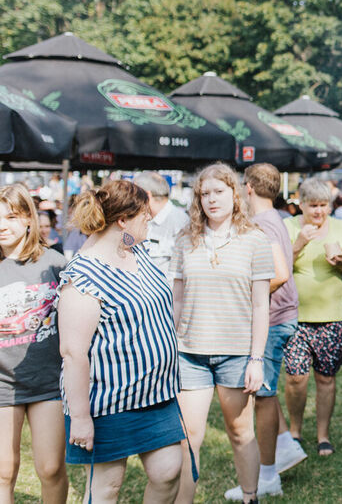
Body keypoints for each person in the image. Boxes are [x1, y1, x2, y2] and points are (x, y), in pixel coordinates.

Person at [57, 180, 183, 503]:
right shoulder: (83, 276)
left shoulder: (138, 251)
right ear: (122, 220)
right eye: (144, 215)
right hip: (107, 403)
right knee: (106, 488)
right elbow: (73, 354)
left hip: (156, 394)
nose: (150, 221)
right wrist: (81, 418)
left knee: (168, 472)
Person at [170, 164, 272, 504]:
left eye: (219, 191)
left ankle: (250, 496)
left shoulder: (255, 239)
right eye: (205, 193)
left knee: (240, 432)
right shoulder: (185, 239)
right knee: (187, 437)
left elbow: (261, 306)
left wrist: (256, 359)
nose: (211, 199)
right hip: (189, 353)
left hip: (236, 353)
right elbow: (178, 298)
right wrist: (171, 344)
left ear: (236, 194)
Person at [222, 164, 307, 501]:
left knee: (263, 397)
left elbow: (280, 273)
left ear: (249, 188)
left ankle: (269, 475)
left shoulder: (263, 224)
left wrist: (242, 293)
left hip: (272, 319)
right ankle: (285, 445)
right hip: (281, 316)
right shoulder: (278, 219)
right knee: (265, 393)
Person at [282, 179, 342, 457]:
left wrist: (341, 262)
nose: (318, 211)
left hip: (331, 317)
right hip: (295, 316)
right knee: (295, 378)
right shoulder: (289, 227)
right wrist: (299, 244)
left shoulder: (340, 228)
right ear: (300, 204)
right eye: (313, 205)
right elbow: (277, 264)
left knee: (326, 378)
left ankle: (323, 435)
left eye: (323, 205)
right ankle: (294, 430)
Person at [0, 184, 68, 503]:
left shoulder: (56, 263)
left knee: (51, 468)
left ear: (29, 218)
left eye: (11, 216)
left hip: (48, 382)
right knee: (3, 470)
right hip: (2, 384)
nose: (3, 224)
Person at [133, 172, 189, 279]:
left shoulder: (181, 223)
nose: (131, 199)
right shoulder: (139, 218)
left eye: (134, 194)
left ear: (147, 195)